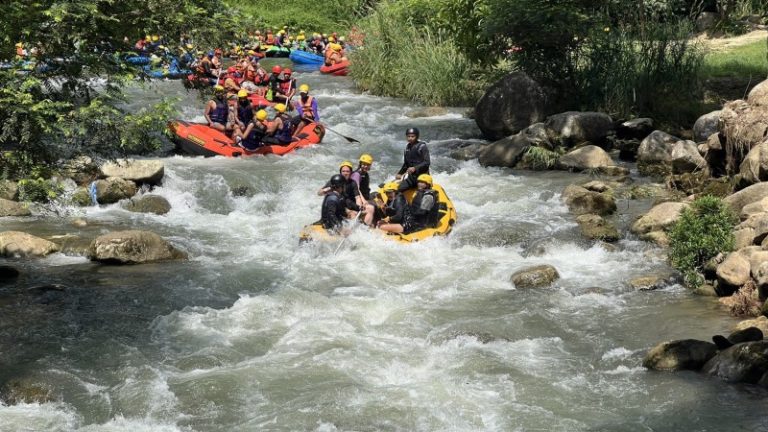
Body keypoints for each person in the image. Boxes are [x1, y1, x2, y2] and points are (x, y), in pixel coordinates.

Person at [396, 127, 430, 192]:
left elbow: (427, 162)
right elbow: (406, 164)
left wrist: (415, 168)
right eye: (408, 136)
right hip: (412, 177)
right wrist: (400, 173)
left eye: (412, 136)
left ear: (416, 136)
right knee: (398, 189)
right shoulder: (407, 148)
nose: (410, 138)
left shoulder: (422, 147)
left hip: (422, 176)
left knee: (421, 190)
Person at [350, 154, 376, 226]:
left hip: (365, 197)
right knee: (372, 207)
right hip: (356, 199)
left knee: (377, 200)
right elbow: (356, 189)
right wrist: (364, 201)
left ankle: (372, 221)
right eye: (364, 164)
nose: (366, 166)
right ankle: (366, 226)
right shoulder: (357, 174)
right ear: (360, 164)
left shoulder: (365, 174)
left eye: (368, 165)